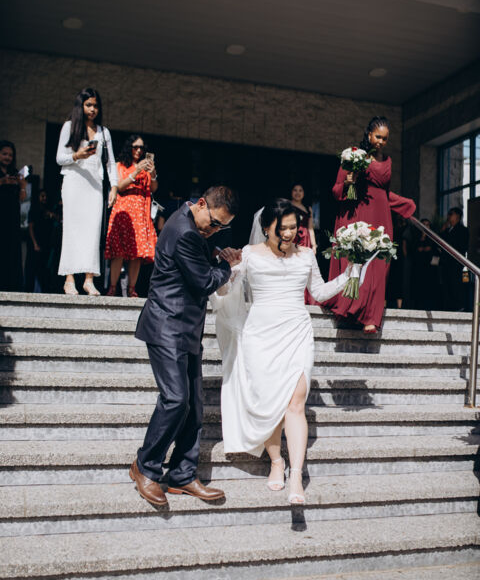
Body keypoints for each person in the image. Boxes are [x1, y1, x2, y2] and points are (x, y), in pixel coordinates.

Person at [211, 198, 362, 505]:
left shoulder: (306, 255)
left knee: (295, 403)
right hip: (260, 335)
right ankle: (276, 461)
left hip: (297, 332)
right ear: (267, 228)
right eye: (283, 228)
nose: (290, 233)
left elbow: (318, 292)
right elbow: (225, 291)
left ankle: (296, 475)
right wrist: (228, 267)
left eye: (294, 227)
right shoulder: (249, 253)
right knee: (270, 402)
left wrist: (351, 272)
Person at [130, 185, 240, 507]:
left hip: (186, 329)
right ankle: (145, 467)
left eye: (222, 227)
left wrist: (215, 255)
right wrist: (227, 266)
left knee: (194, 406)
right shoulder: (184, 232)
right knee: (176, 400)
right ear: (201, 204)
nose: (214, 229)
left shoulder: (191, 225)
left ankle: (182, 474)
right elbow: (204, 281)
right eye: (214, 223)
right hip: (167, 326)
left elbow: (196, 264)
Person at [324, 116, 416, 333]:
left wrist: (404, 204)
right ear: (369, 134)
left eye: (385, 138)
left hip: (381, 217)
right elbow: (336, 190)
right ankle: (352, 311)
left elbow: (383, 193)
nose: (381, 142)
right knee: (357, 262)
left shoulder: (388, 161)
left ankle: (371, 318)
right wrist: (348, 182)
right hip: (358, 214)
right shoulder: (355, 155)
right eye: (378, 137)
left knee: (378, 265)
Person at [56, 87, 118, 295]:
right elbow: (59, 158)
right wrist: (77, 155)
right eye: (88, 105)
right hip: (74, 182)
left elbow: (110, 162)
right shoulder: (69, 126)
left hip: (95, 184)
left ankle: (89, 279)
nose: (92, 109)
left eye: (95, 106)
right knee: (72, 230)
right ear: (80, 106)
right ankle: (69, 278)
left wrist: (114, 186)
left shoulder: (103, 132)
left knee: (92, 231)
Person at [105, 135, 158, 297]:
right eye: (135, 147)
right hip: (124, 211)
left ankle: (131, 288)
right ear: (129, 147)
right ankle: (113, 287)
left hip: (140, 212)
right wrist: (136, 171)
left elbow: (154, 188)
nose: (139, 150)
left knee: (137, 253)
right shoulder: (119, 165)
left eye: (141, 148)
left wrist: (153, 173)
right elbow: (119, 186)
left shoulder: (146, 167)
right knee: (119, 251)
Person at [0, 140, 27, 291]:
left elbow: (22, 198)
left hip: (11, 218)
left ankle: (11, 284)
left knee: (11, 249)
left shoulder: (15, 173)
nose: (7, 157)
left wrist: (22, 186)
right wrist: (2, 182)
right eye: (4, 154)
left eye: (10, 155)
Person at [26, 190, 56, 292]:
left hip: (45, 244)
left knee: (44, 268)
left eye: (45, 196)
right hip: (35, 243)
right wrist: (35, 243)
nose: (44, 198)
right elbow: (30, 227)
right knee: (33, 267)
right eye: (42, 196)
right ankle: (30, 289)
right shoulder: (33, 210)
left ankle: (44, 289)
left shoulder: (48, 210)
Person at [439, 207, 469, 311]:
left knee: (455, 284)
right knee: (446, 284)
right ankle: (448, 307)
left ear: (458, 216)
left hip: (455, 262)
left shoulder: (463, 230)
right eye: (449, 213)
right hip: (445, 262)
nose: (449, 216)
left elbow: (462, 245)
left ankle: (459, 306)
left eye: (451, 214)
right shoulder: (447, 230)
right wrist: (442, 230)